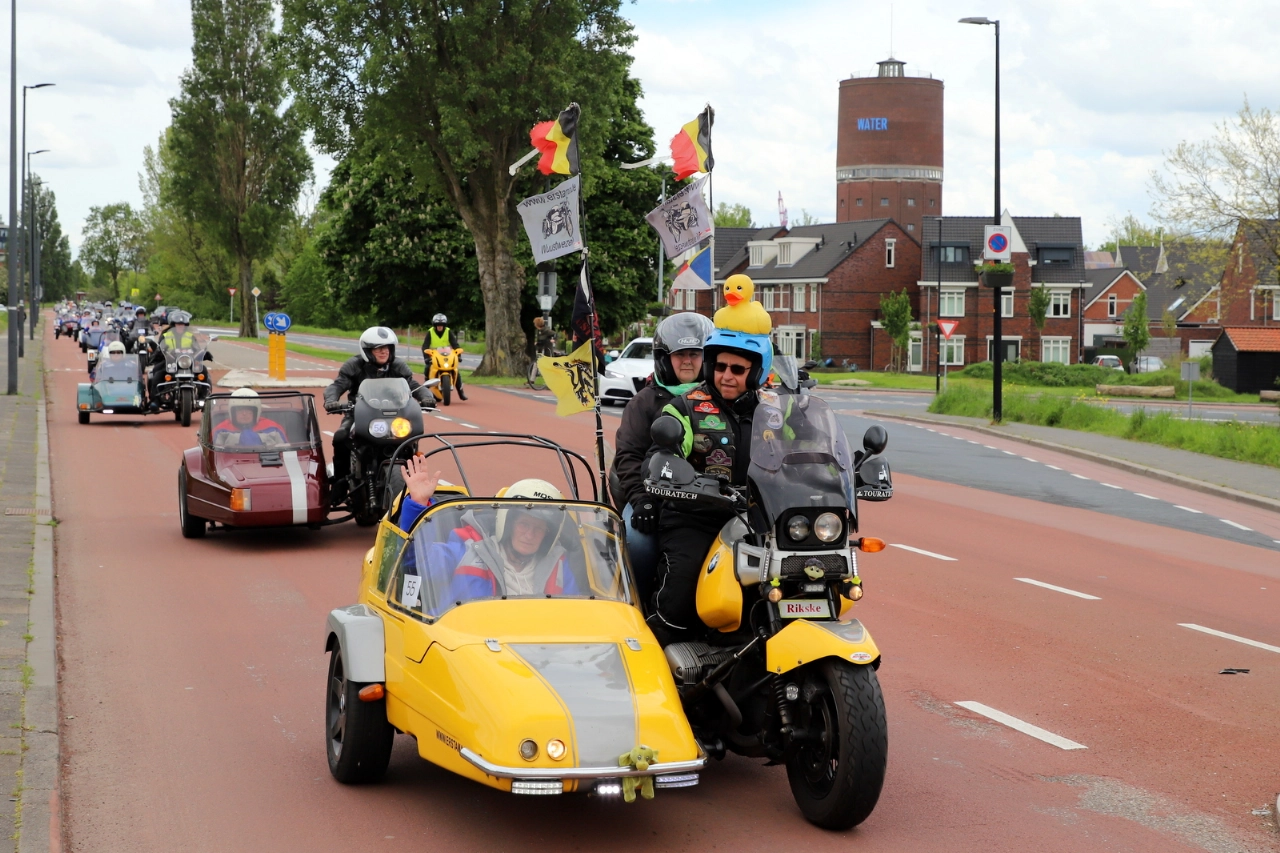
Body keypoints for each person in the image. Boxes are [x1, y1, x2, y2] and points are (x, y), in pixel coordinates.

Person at [644, 321, 773, 646]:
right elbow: (662, 449)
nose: (727, 375)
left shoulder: (776, 413)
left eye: (738, 369)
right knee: (681, 592)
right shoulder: (686, 407)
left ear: (756, 372)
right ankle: (659, 655)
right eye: (720, 367)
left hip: (761, 521)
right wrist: (670, 467)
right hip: (697, 518)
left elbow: (807, 451)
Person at [611, 312, 713, 604]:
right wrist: (641, 499)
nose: (687, 361)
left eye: (695, 354)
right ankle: (639, 606)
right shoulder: (644, 402)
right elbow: (628, 457)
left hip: (711, 499)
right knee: (638, 545)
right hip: (655, 498)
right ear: (664, 358)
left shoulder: (719, 399)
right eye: (680, 354)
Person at [395, 461, 579, 613]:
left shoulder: (559, 566)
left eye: (539, 529)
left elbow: (575, 615)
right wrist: (418, 504)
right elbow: (417, 560)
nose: (530, 535)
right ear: (508, 523)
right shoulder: (469, 550)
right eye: (524, 524)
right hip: (463, 643)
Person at [324, 326, 434, 505]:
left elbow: (413, 384)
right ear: (367, 350)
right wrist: (331, 400)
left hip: (394, 414)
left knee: (411, 439)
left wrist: (426, 397)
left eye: (387, 347)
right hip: (359, 413)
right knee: (341, 436)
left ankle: (416, 483)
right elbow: (337, 385)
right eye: (378, 348)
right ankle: (340, 483)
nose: (384, 351)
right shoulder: (354, 365)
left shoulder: (398, 365)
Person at [211, 388, 288, 447]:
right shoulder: (220, 431)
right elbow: (214, 457)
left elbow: (286, 452)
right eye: (240, 410)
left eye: (248, 411)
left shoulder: (274, 429)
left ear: (256, 412)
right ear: (232, 412)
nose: (244, 414)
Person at [421, 313, 465, 401]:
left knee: (456, 371)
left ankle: (461, 392)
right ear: (435, 325)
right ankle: (425, 391)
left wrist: (458, 355)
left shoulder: (448, 331)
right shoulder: (430, 332)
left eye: (441, 325)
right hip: (434, 357)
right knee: (427, 369)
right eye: (438, 325)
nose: (440, 327)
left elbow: (455, 345)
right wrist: (426, 358)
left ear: (444, 325)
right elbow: (425, 346)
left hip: (447, 356)